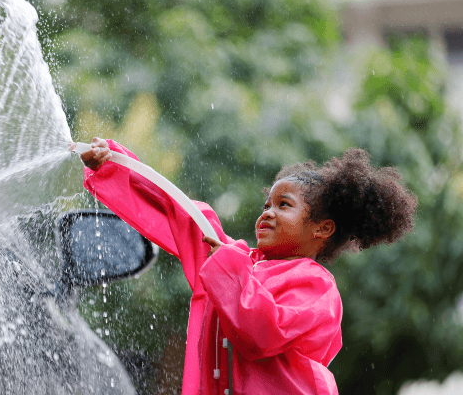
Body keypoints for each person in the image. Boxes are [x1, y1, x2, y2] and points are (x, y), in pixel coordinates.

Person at [75, 137, 417, 395]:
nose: (267, 212)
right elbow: (179, 212)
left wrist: (227, 261)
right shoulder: (233, 261)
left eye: (284, 205)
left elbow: (261, 332)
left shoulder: (316, 286)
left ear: (322, 227)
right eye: (266, 204)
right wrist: (114, 163)